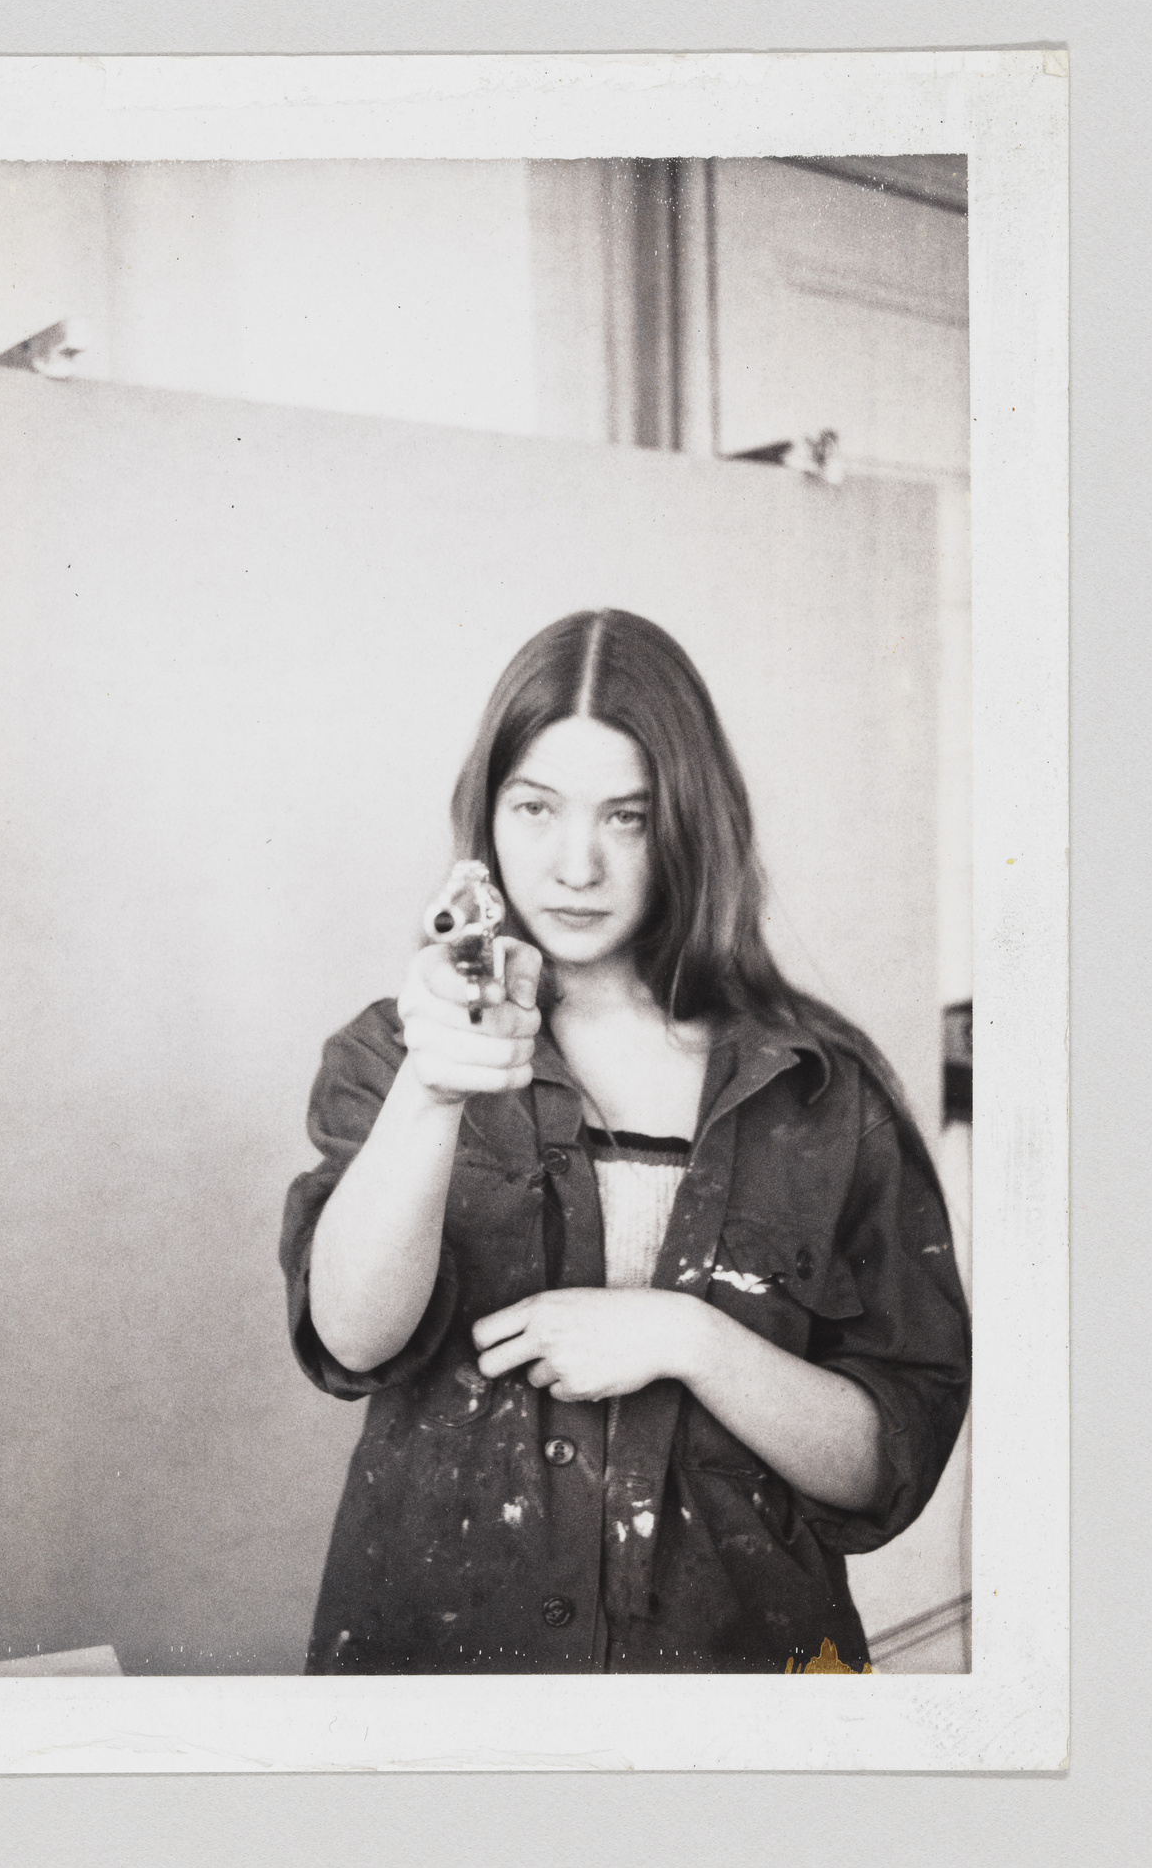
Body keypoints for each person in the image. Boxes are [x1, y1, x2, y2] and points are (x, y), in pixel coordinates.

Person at [280, 609, 970, 1674]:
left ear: (691, 824)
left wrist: (686, 1338)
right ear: (488, 812)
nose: (575, 864)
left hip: (741, 1682)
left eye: (628, 817)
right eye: (536, 807)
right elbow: (352, 1339)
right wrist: (431, 1089)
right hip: (442, 1673)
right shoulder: (392, 1050)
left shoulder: (821, 1091)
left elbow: (891, 1457)